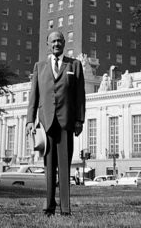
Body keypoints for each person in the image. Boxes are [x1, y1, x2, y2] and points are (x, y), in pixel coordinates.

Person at [26, 31, 86, 216]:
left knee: (65, 167)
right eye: (53, 41)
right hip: (46, 123)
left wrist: (79, 120)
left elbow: (79, 96)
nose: (56, 44)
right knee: (49, 168)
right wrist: (30, 120)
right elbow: (33, 95)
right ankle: (49, 206)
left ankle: (65, 208)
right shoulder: (40, 66)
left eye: (59, 40)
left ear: (64, 43)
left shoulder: (74, 65)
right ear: (48, 43)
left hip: (66, 122)